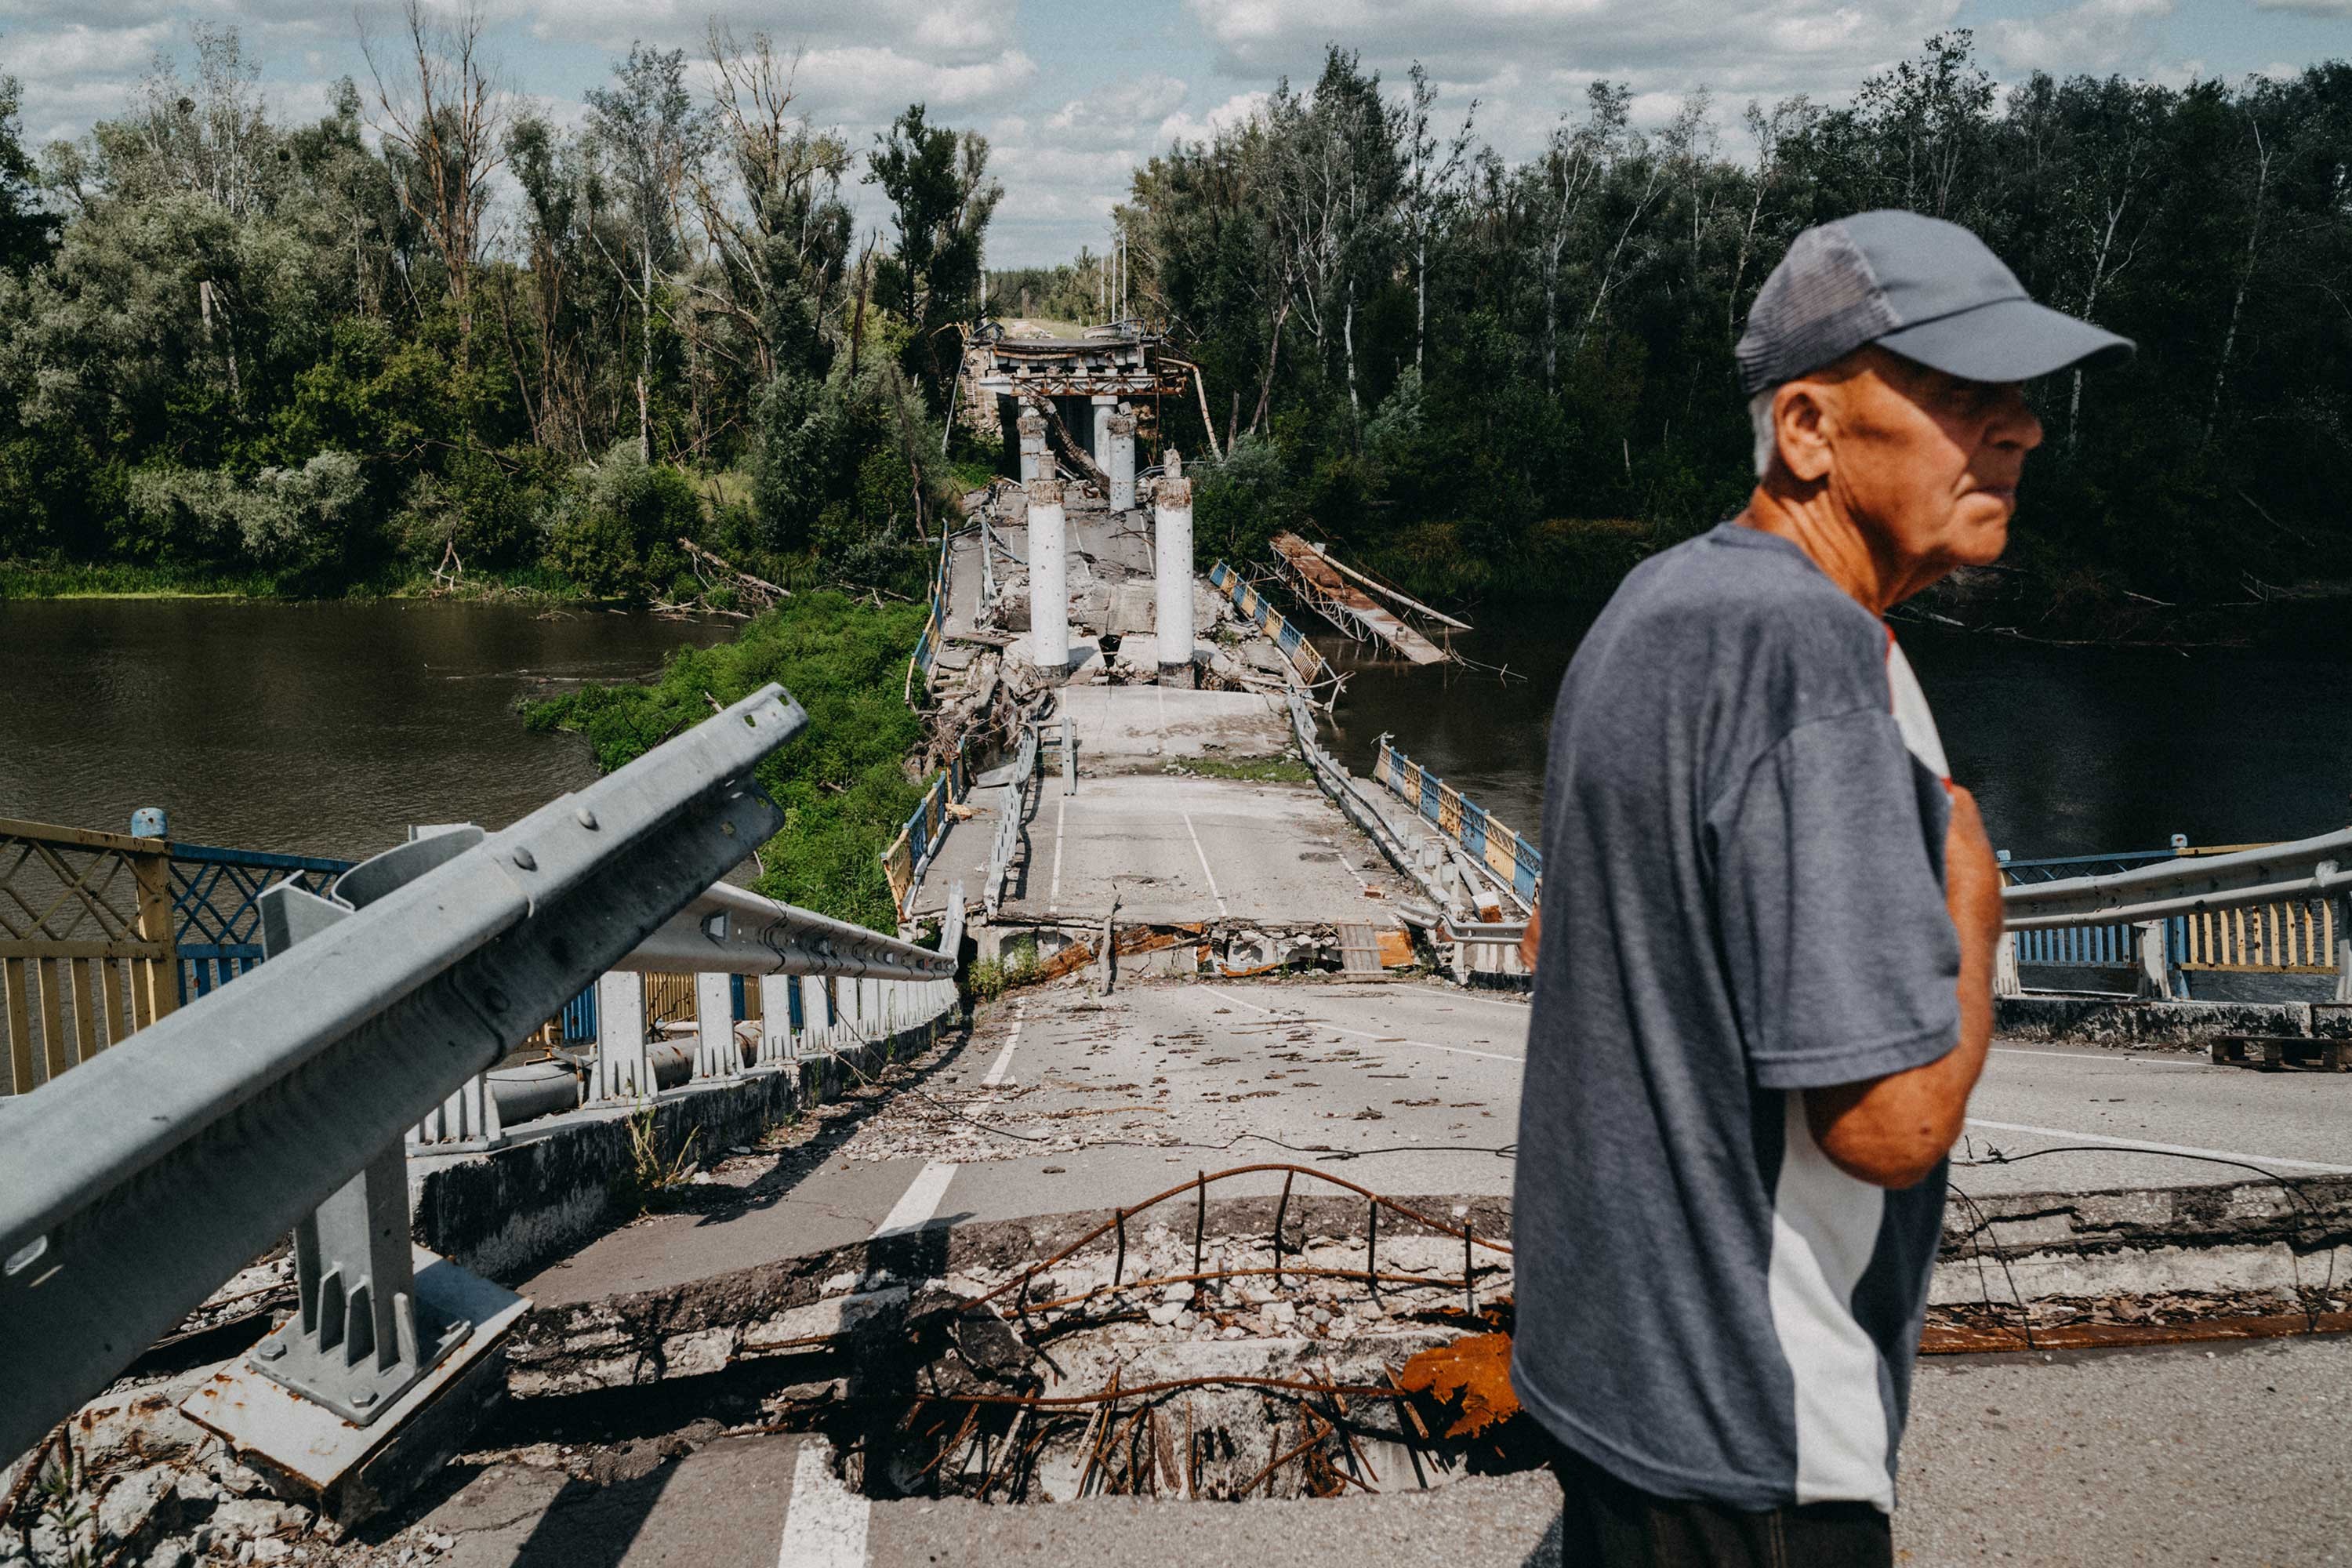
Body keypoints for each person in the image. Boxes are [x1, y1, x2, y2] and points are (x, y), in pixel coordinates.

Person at [1510, 210, 2132, 1567]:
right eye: (1966, 396)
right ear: (1807, 429)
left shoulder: (1655, 605)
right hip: (1756, 1438)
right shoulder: (1818, 659)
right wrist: (1975, 909)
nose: (2021, 431)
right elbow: (1890, 1129)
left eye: (2022, 400)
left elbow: (1568, 929)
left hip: (1607, 1379)